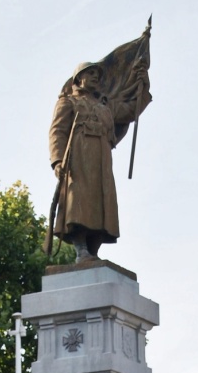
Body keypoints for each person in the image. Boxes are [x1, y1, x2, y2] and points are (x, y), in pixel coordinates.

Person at [48, 29, 151, 263]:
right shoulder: (68, 102)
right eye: (91, 73)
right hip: (78, 157)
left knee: (100, 201)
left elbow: (130, 111)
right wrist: (57, 160)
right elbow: (57, 131)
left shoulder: (107, 106)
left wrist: (141, 83)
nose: (96, 77)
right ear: (79, 79)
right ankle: (81, 249)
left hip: (102, 158)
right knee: (78, 200)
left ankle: (92, 251)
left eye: (97, 73)